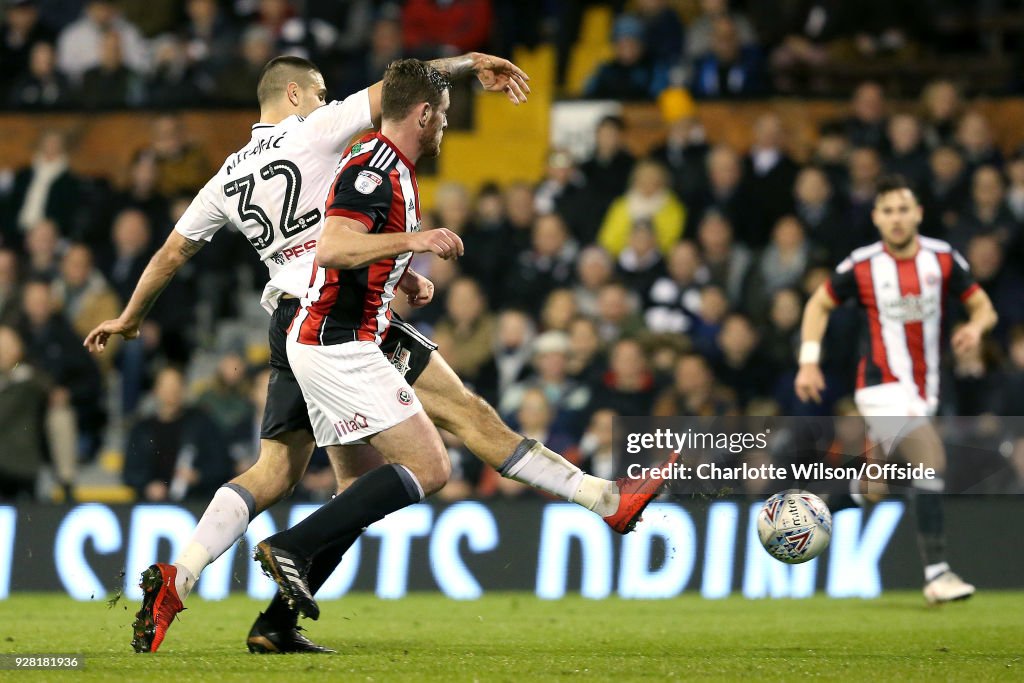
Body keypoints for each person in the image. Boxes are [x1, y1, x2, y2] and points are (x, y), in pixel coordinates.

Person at [84, 54, 669, 654]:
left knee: (291, 473)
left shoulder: (227, 175)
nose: (327, 99)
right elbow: (399, 90)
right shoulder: (316, 128)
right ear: (294, 93)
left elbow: (171, 254)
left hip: (300, 313)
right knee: (436, 442)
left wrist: (131, 318)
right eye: (319, 91)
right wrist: (469, 64)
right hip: (334, 313)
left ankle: (190, 582)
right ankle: (601, 500)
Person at [251, 59, 674, 628]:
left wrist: (403, 273)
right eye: (444, 116)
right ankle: (293, 547)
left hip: (370, 329)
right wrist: (417, 240)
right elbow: (332, 248)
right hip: (335, 338)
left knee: (471, 418)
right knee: (428, 466)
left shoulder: (391, 166)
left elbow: (358, 246)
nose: (446, 126)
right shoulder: (373, 170)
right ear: (423, 115)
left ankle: (605, 499)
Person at [794, 174, 998, 604]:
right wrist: (809, 361)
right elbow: (819, 303)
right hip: (879, 385)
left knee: (875, 485)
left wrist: (975, 328)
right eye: (887, 211)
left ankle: (800, 515)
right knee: (931, 459)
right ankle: (938, 574)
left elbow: (982, 306)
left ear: (918, 213)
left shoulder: (942, 259)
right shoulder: (863, 264)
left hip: (924, 389)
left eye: (904, 209)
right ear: (877, 218)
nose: (897, 218)